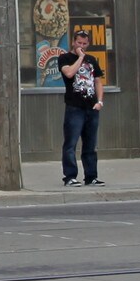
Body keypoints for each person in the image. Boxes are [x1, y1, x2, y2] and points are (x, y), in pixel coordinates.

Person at [56, 29, 104, 187]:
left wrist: (100, 101)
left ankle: (91, 176)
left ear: (88, 43)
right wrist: (80, 57)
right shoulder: (64, 58)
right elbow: (69, 73)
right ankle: (70, 177)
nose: (81, 46)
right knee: (71, 143)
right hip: (74, 107)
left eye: (84, 43)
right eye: (79, 43)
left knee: (90, 144)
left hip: (91, 107)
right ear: (73, 42)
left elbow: (97, 81)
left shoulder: (92, 60)